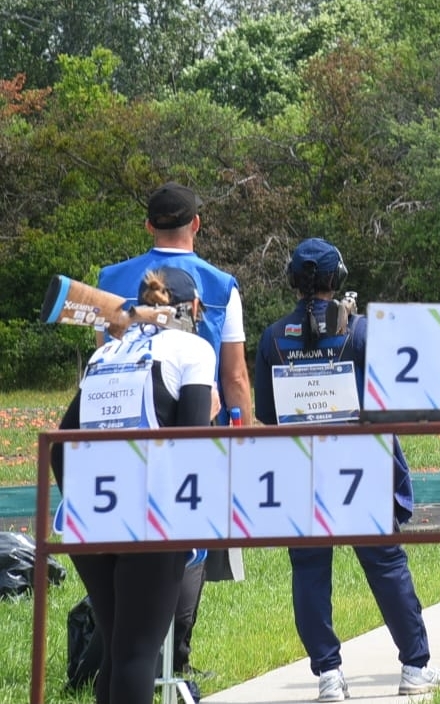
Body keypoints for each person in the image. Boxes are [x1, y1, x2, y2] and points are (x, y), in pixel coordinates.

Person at [253, 238, 440, 702]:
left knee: (309, 569)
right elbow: (398, 398)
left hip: (301, 463)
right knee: (386, 565)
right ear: (336, 279)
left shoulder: (272, 337)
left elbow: (266, 412)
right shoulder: (362, 332)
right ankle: (414, 666)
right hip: (360, 461)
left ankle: (328, 675)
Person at [95, 181, 251, 685]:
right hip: (188, 430)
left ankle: (127, 655)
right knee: (187, 543)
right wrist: (240, 439)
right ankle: (175, 655)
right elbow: (234, 377)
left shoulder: (109, 279)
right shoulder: (222, 284)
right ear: (197, 225)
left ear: (147, 225)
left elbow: (107, 366)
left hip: (113, 438)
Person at [52, 267, 216, 704]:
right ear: (194, 308)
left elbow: (60, 444)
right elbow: (192, 444)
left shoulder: (106, 354)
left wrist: (83, 499)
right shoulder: (194, 349)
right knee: (138, 654)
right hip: (152, 515)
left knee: (118, 648)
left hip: (90, 517)